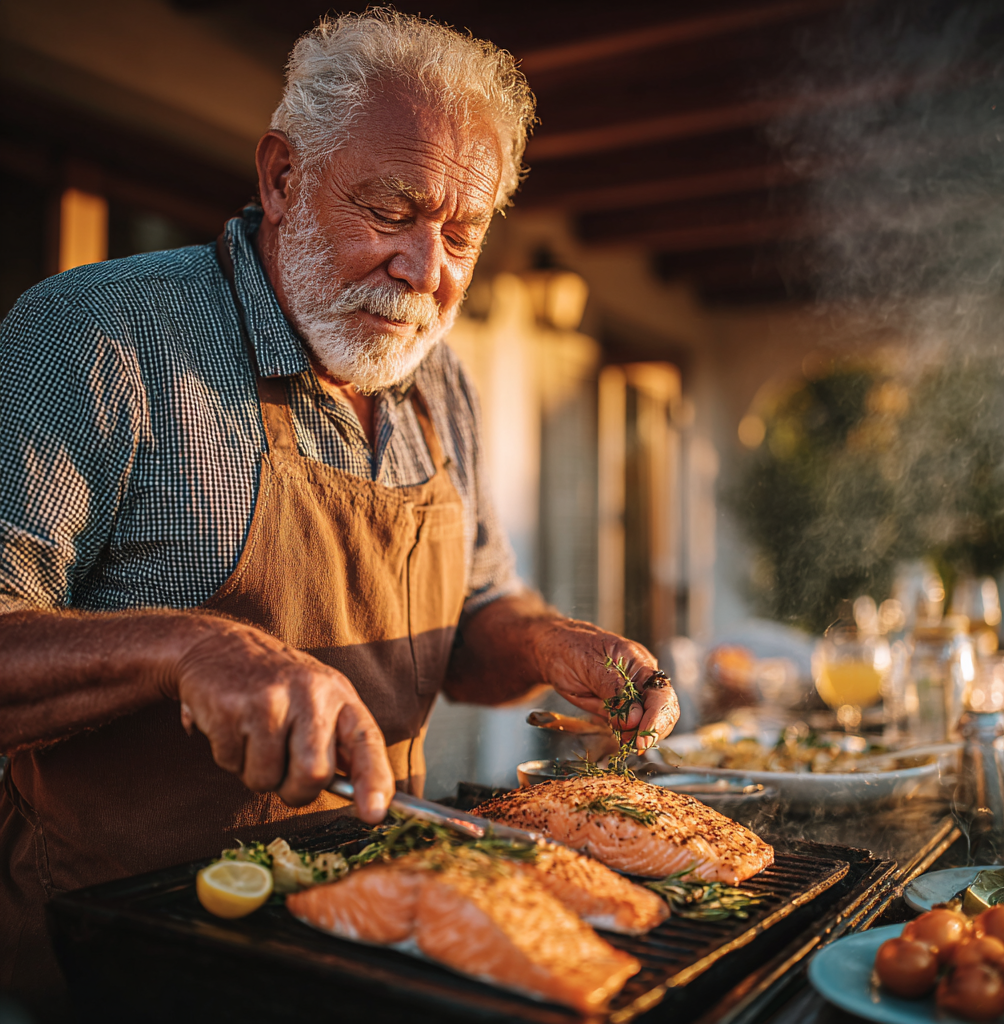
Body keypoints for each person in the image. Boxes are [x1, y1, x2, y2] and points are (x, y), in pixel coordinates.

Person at [0, 10, 679, 1012]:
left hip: (369, 954)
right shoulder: (97, 338)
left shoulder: (440, 386)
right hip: (111, 968)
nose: (426, 271)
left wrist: (545, 641)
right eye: (393, 211)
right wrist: (194, 651)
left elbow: (471, 625)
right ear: (280, 178)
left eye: (461, 233)